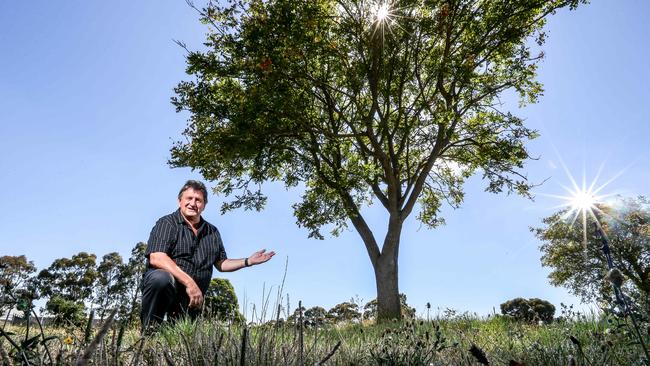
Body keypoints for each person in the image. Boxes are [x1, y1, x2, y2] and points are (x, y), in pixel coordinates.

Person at [140, 180, 275, 329]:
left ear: (204, 205)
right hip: (168, 289)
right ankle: (148, 334)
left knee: (181, 339)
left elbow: (221, 263)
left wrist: (248, 261)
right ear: (180, 201)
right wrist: (190, 283)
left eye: (198, 200)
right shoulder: (167, 223)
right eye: (189, 198)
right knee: (161, 278)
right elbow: (157, 257)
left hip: (193, 298)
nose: (193, 203)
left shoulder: (212, 232)